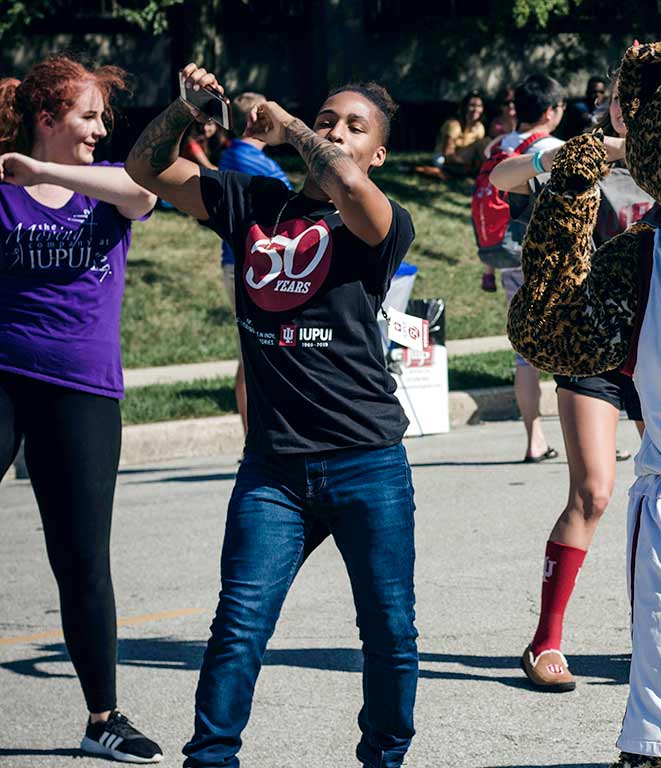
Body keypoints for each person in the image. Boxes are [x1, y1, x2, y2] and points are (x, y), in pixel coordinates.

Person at [126, 65, 420, 768]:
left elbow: (348, 185)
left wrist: (286, 123)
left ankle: (383, 757)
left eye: (355, 127)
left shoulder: (380, 220)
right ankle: (211, 758)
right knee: (239, 625)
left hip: (365, 458)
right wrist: (191, 108)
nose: (335, 131)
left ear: (379, 153)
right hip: (274, 468)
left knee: (388, 631)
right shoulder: (251, 200)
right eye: (328, 118)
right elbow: (144, 168)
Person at [0, 55, 163, 765]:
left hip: (83, 388)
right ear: (46, 119)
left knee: (81, 559)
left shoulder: (106, 189)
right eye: (88, 116)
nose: (100, 130)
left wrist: (42, 174)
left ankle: (103, 719)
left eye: (102, 118)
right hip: (5, 375)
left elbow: (140, 192)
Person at [491, 72, 656, 690]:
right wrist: (576, 155)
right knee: (593, 493)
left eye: (640, 100)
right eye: (620, 98)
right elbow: (502, 179)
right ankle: (545, 641)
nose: (628, 108)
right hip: (595, 345)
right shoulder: (582, 154)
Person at [486, 72, 566, 462]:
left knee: (526, 351)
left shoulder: (500, 146)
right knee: (569, 343)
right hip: (550, 260)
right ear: (551, 111)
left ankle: (534, 437)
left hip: (509, 256)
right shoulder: (556, 148)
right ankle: (586, 438)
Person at [216, 91, 292, 436]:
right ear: (259, 118)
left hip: (253, 268)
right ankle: (257, 439)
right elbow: (287, 210)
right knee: (258, 354)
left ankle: (258, 437)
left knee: (256, 354)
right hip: (254, 270)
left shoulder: (239, 156)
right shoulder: (245, 160)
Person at [432, 92, 485, 173]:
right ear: (464, 107)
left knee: (485, 142)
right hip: (444, 158)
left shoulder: (480, 128)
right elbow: (448, 154)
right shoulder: (454, 125)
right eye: (472, 106)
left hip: (464, 156)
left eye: (479, 106)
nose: (476, 109)